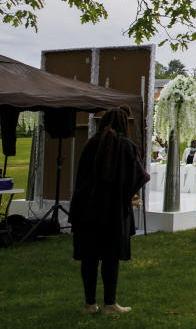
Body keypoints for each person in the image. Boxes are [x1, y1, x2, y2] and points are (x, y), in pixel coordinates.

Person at [70, 106, 149, 316]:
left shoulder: (91, 144)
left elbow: (80, 177)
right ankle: (109, 304)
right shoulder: (127, 147)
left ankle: (89, 304)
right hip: (112, 211)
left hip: (87, 209)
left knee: (89, 257)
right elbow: (139, 176)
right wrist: (128, 194)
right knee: (110, 257)